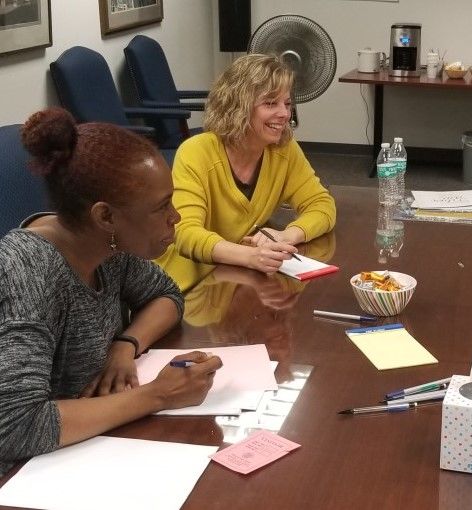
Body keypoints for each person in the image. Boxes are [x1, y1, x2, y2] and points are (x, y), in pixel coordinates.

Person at [0, 108, 222, 476]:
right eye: (161, 207)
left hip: (83, 447)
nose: (176, 218)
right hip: (24, 475)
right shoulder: (25, 274)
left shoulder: (107, 248)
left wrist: (125, 344)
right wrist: (158, 394)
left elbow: (166, 295)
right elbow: (16, 425)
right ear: (105, 217)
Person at [155, 54, 337, 292]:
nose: (284, 114)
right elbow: (185, 232)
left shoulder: (283, 149)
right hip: (185, 287)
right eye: (271, 103)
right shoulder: (196, 152)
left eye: (287, 103)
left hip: (236, 280)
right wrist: (251, 256)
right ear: (238, 107)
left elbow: (321, 204)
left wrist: (288, 235)